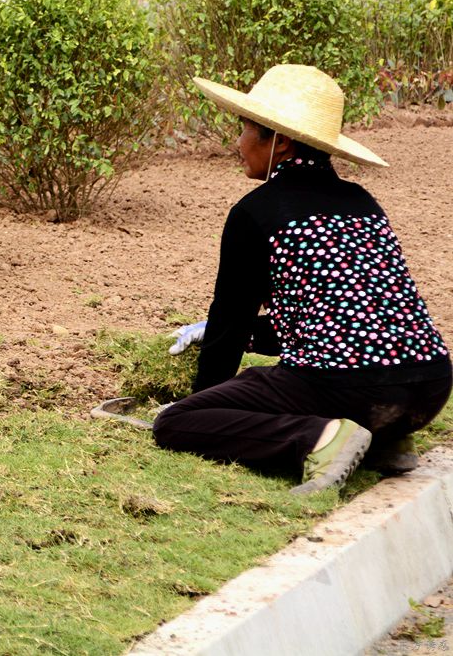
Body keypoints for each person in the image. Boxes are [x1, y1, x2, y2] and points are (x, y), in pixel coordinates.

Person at [153, 64, 450, 494]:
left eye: (245, 130)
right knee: (298, 378)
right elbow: (336, 320)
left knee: (175, 422)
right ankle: (386, 439)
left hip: (347, 388)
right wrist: (251, 338)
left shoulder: (256, 212)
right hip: (429, 388)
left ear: (280, 141)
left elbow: (230, 320)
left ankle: (319, 440)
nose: (237, 144)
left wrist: (202, 403)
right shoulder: (361, 201)